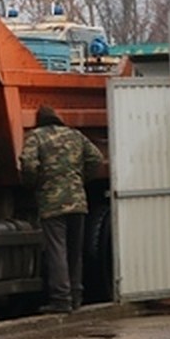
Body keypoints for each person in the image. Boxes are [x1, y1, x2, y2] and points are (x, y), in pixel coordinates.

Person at [19, 104, 105, 313]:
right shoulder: (75, 135)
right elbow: (96, 158)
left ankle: (61, 299)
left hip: (52, 203)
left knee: (57, 250)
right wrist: (80, 178)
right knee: (74, 251)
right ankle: (76, 296)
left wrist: (33, 183)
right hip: (78, 201)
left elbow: (29, 165)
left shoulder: (36, 137)